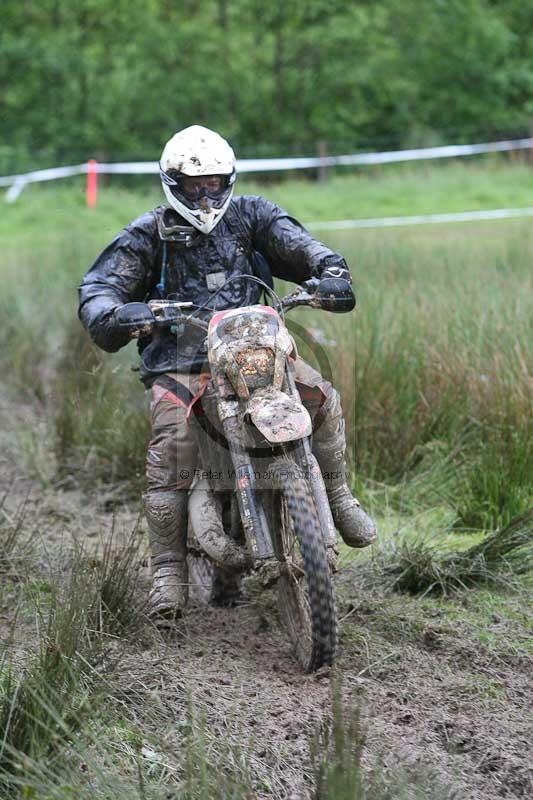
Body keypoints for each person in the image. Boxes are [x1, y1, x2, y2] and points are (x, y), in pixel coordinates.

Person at [78, 125, 376, 621]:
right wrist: (118, 312)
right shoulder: (146, 234)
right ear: (172, 183)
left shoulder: (254, 216)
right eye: (194, 185)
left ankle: (338, 493)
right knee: (173, 439)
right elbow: (99, 288)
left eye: (214, 183)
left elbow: (302, 246)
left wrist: (329, 271)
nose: (204, 194)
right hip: (179, 363)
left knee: (320, 396)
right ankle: (169, 570)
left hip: (255, 351)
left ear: (228, 180)